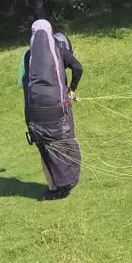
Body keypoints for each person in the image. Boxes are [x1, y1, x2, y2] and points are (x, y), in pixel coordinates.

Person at [17, 19, 83, 200]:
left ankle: (53, 188)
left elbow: (22, 84)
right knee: (64, 143)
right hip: (58, 110)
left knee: (44, 148)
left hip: (33, 113)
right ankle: (66, 184)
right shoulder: (60, 50)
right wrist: (72, 88)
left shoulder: (28, 57)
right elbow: (77, 67)